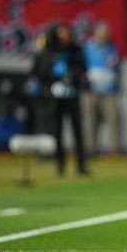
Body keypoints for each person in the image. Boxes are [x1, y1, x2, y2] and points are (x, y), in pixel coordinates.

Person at [32, 24, 89, 175]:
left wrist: (73, 76)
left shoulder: (75, 50)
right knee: (57, 130)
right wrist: (54, 78)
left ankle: (81, 165)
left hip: (72, 94)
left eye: (66, 32)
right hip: (54, 96)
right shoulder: (48, 51)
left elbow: (83, 68)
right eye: (61, 32)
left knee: (77, 130)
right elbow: (38, 71)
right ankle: (60, 164)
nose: (65, 35)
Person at [83, 23, 123, 155]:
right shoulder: (88, 48)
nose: (105, 36)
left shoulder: (112, 49)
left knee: (114, 119)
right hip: (92, 91)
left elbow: (117, 68)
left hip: (109, 91)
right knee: (92, 121)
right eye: (103, 33)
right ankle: (91, 148)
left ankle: (115, 149)